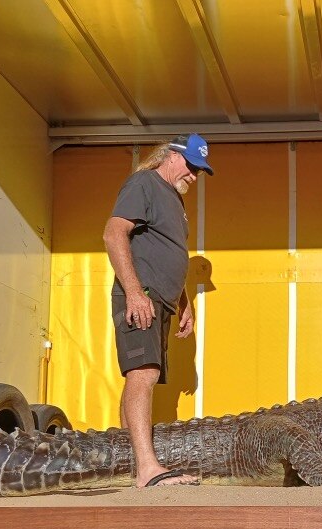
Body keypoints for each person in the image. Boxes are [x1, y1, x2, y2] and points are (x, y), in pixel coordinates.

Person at [103, 134, 214, 487]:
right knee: (144, 373)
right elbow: (113, 234)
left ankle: (130, 465)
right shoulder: (144, 183)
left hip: (161, 300)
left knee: (142, 373)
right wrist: (134, 293)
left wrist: (183, 304)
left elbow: (168, 253)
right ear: (170, 156)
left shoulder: (174, 203)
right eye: (191, 166)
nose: (195, 175)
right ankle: (148, 469)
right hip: (142, 295)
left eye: (200, 170)